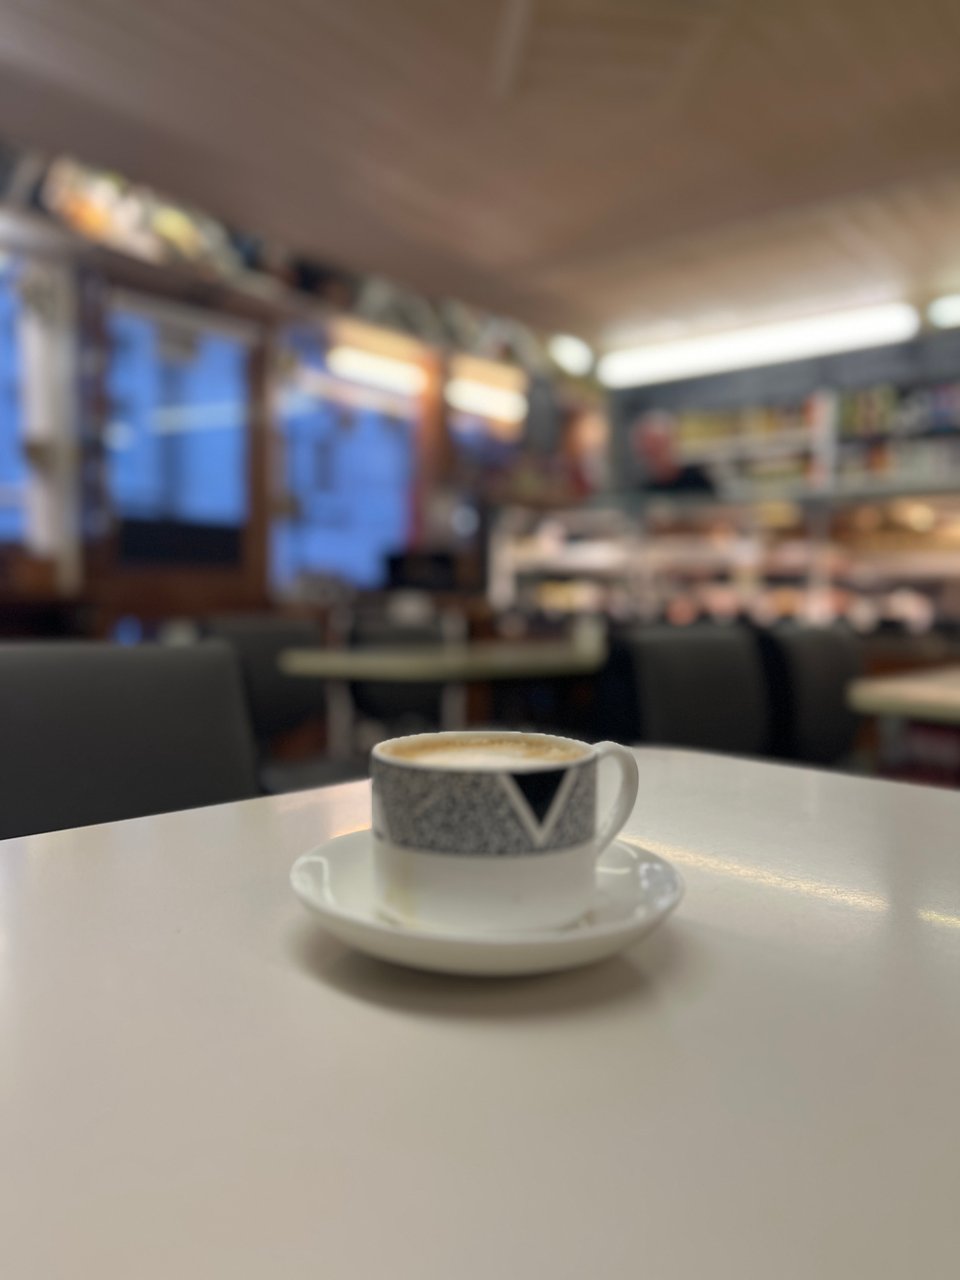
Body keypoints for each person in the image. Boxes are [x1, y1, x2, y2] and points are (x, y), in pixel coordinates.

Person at [632, 411, 715, 495]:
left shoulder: (696, 481)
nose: (651, 451)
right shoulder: (644, 489)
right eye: (646, 447)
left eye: (657, 444)